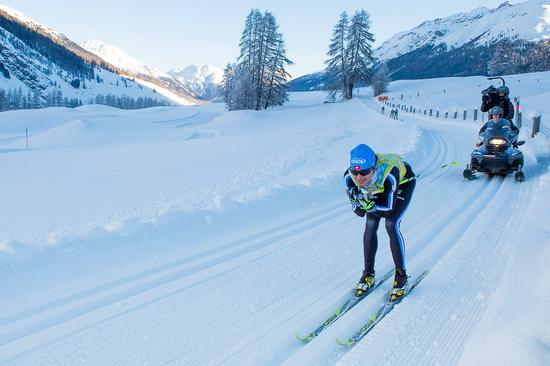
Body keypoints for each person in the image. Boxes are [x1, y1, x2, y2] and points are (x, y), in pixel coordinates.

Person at [344, 144, 416, 302]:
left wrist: (370, 205)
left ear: (374, 168)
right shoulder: (349, 177)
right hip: (376, 188)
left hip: (402, 184)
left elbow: (389, 210)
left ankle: (401, 276)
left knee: (391, 224)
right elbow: (360, 213)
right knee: (370, 224)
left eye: (364, 172)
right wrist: (358, 201)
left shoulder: (390, 174)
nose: (359, 177)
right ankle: (368, 274)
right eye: (355, 172)